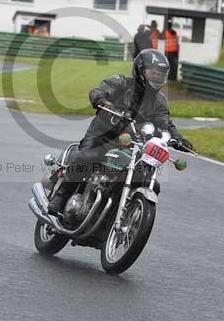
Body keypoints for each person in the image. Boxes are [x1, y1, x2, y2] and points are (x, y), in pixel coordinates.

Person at [48, 48, 194, 214]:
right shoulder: (122, 82)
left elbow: (165, 123)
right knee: (88, 157)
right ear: (140, 70)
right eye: (153, 73)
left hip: (132, 145)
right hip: (103, 135)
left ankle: (117, 216)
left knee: (149, 181)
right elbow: (101, 90)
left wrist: (178, 139)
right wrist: (101, 99)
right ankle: (61, 196)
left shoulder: (159, 100)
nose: (157, 78)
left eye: (160, 75)